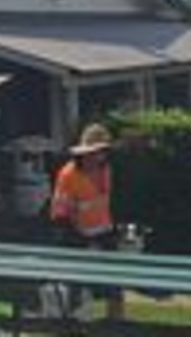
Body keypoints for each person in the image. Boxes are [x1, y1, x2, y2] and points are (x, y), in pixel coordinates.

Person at [49, 123, 123, 319]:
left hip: (105, 233)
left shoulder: (106, 169)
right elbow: (61, 215)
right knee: (76, 284)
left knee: (115, 285)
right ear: (84, 152)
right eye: (94, 152)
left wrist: (106, 235)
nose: (99, 156)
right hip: (76, 237)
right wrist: (85, 240)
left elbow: (103, 203)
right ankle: (72, 323)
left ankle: (117, 324)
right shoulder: (68, 175)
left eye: (102, 151)